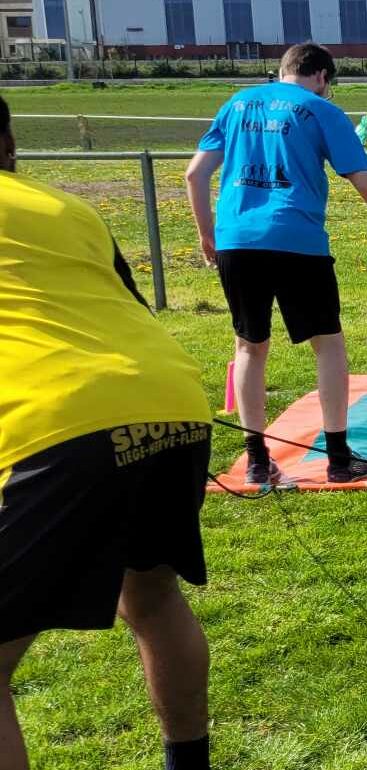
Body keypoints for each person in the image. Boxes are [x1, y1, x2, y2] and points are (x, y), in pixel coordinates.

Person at [0, 94, 216, 770]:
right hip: (171, 400)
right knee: (151, 594)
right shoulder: (64, 206)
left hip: (61, 423)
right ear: (9, 146)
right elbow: (126, 304)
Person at [185, 43, 367, 485]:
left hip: (238, 240)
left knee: (249, 346)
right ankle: (338, 457)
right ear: (322, 77)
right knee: (327, 343)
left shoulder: (237, 104)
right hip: (297, 239)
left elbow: (195, 173)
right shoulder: (321, 109)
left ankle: (257, 459)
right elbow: (363, 180)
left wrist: (207, 235)